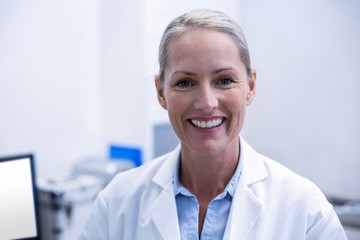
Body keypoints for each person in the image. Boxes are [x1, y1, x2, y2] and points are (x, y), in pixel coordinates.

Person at [80, 9, 347, 240]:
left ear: (250, 86)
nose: (206, 103)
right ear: (161, 92)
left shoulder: (306, 209)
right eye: (185, 82)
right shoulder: (117, 201)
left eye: (224, 80)